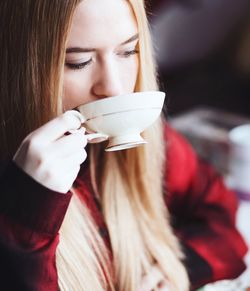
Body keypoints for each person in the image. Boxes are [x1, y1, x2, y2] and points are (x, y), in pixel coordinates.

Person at [0, 0, 247, 290]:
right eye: (78, 62)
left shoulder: (153, 143)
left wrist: (179, 268)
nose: (114, 87)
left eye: (129, 50)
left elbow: (219, 213)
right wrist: (30, 211)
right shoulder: (15, 196)